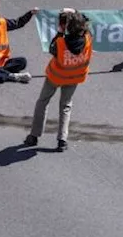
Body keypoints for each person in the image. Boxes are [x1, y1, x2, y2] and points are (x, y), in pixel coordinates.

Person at [25, 10, 93, 152]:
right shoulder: (87, 38)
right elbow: (85, 22)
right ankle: (62, 140)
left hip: (56, 77)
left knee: (43, 102)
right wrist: (75, 13)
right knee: (65, 106)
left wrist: (60, 31)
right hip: (74, 78)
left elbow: (51, 49)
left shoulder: (60, 42)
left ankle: (34, 136)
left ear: (68, 27)